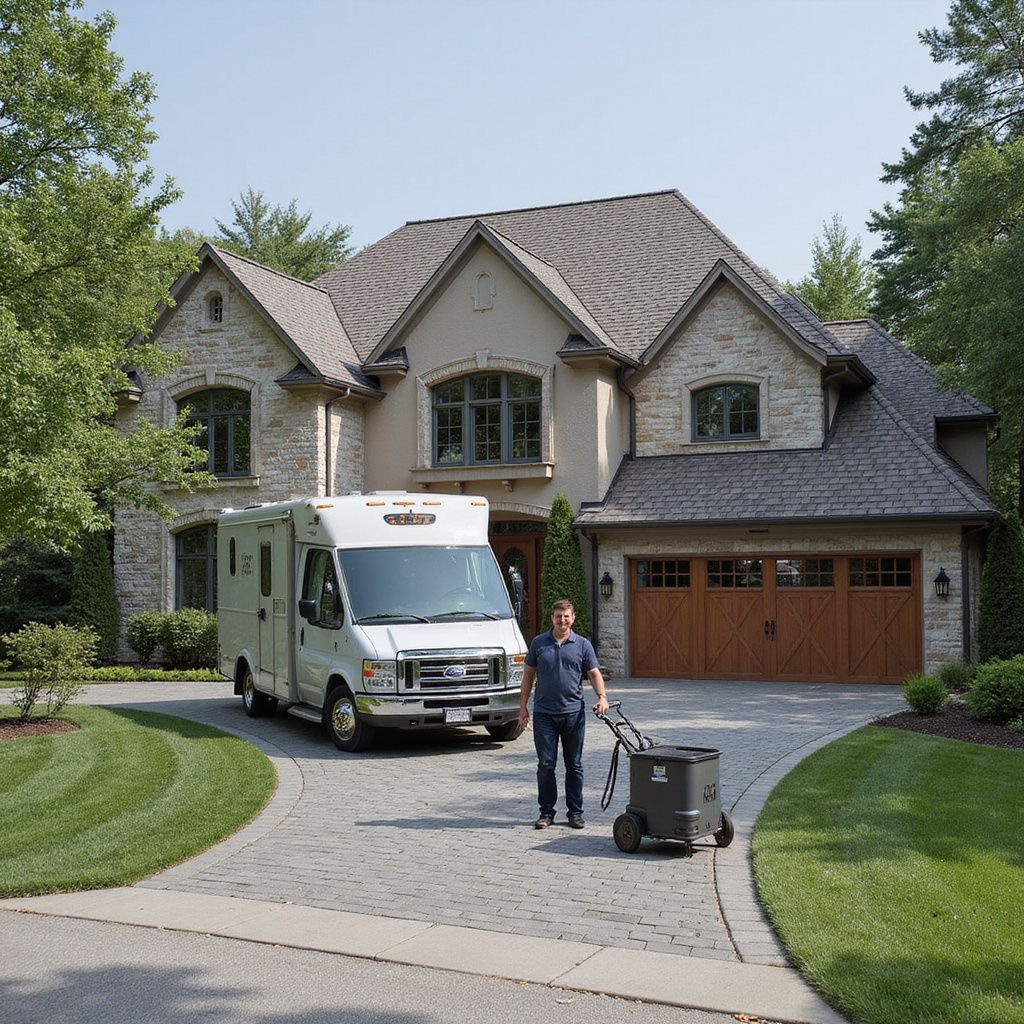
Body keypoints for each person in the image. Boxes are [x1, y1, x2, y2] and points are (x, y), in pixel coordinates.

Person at [518, 599, 609, 829]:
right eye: (558, 616)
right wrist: (522, 707)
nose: (562, 620)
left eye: (566, 616)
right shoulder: (539, 643)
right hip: (544, 714)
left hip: (573, 714)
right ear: (552, 618)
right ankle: (546, 813)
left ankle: (575, 813)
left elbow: (594, 673)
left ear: (573, 618)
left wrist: (602, 697)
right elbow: (528, 676)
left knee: (574, 765)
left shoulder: (583, 645)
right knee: (546, 765)